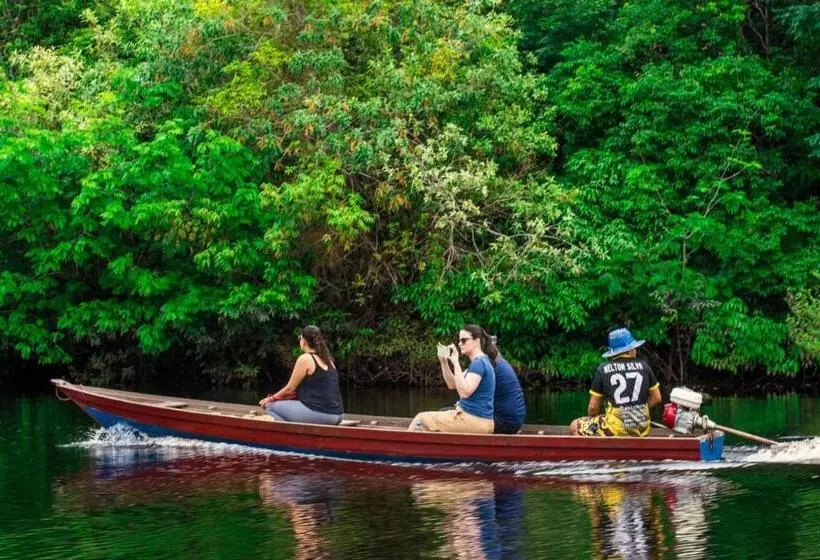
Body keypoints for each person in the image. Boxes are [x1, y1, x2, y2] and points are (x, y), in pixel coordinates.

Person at [569, 327, 661, 437]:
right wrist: (636, 412)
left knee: (574, 425)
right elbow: (657, 398)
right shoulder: (644, 366)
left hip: (616, 430)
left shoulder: (603, 369)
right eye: (634, 347)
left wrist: (592, 418)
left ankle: (594, 453)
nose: (635, 350)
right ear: (628, 350)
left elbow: (593, 408)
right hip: (642, 429)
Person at [408, 325, 496, 434]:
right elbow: (452, 384)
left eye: (463, 340)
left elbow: (464, 392)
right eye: (459, 340)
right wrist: (444, 362)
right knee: (429, 421)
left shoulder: (479, 363)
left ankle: (404, 450)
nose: (459, 344)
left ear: (477, 341)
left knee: (420, 419)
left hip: (474, 420)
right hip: (475, 420)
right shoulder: (479, 363)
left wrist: (455, 362)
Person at [259, 325, 343, 425]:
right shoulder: (328, 360)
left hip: (323, 415)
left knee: (270, 406)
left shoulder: (305, 358)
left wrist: (270, 399)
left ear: (304, 341)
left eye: (300, 338)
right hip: (339, 415)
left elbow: (290, 388)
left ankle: (289, 436)